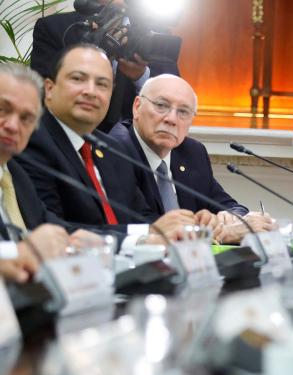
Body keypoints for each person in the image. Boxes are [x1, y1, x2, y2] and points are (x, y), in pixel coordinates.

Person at [18, 44, 195, 242]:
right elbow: (51, 230)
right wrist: (142, 236)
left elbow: (141, 216)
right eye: (78, 79)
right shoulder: (30, 140)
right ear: (49, 89)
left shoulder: (112, 149)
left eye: (102, 84)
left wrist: (184, 226)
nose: (90, 91)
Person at [108, 74, 275, 242]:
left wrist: (233, 218)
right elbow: (142, 225)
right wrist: (225, 233)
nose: (171, 119)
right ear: (137, 107)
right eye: (161, 105)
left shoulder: (192, 152)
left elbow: (228, 204)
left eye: (183, 112)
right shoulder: (115, 150)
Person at [0, 63, 104, 282]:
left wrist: (135, 239)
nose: (12, 125)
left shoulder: (15, 175)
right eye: (3, 109)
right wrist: (17, 252)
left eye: (26, 118)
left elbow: (58, 229)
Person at [30, 0, 180, 132]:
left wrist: (141, 76)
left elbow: (175, 97)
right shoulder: (55, 27)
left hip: (135, 145)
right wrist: (96, 50)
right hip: (73, 136)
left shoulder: (157, 34)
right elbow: (42, 91)